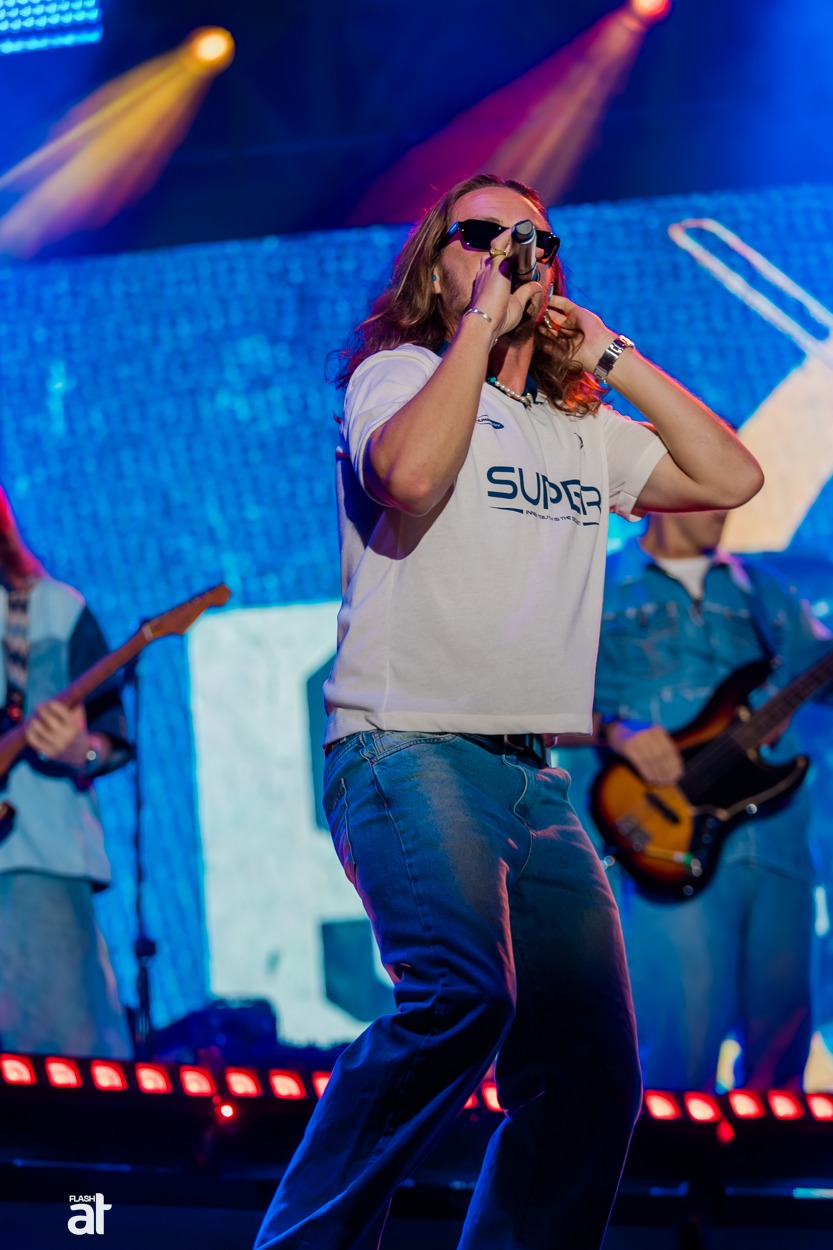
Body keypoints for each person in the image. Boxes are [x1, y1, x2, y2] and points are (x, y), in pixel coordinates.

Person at [254, 173, 763, 1250]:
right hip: (408, 748)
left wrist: (610, 356)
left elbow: (730, 476)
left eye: (531, 236)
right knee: (462, 995)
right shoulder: (397, 375)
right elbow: (407, 475)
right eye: (477, 234)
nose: (506, 248)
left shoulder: (580, 430)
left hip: (534, 782)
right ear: (432, 269)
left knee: (592, 1073)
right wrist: (480, 324)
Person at [583, 508, 832, 1091]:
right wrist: (617, 730)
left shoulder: (763, 591)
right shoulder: (597, 584)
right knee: (679, 1050)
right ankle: (670, 1155)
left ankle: (765, 1155)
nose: (726, 502)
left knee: (783, 1051)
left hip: (777, 842)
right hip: (666, 841)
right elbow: (534, 703)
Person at [0, 486, 133, 1059]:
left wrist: (81, 749)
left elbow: (110, 738)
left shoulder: (56, 609)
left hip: (34, 860)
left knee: (60, 1061)